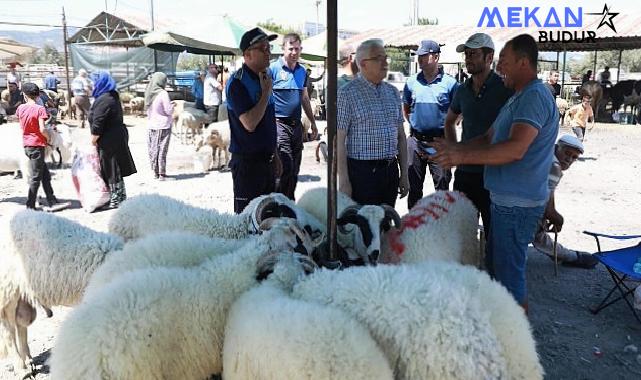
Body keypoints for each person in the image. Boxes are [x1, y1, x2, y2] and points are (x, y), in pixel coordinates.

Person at [430, 34, 559, 311]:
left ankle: (515, 343)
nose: (501, 68)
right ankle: (502, 328)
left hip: (517, 203)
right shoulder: (519, 96)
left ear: (524, 63)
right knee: (498, 270)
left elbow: (515, 149)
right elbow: (489, 138)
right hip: (505, 199)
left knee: (509, 278)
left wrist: (460, 154)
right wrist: (455, 149)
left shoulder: (534, 96)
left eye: (506, 62)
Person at [444, 32, 514, 260]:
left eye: (473, 54)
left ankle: (493, 282)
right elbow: (449, 121)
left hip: (497, 176)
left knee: (497, 239)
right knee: (461, 235)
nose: (468, 59)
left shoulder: (505, 88)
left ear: (489, 57)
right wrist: (454, 153)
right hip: (466, 174)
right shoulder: (462, 90)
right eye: (467, 55)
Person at [337, 39, 409, 207]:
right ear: (363, 64)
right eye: (378, 58)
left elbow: (401, 137)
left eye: (385, 57)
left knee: (385, 224)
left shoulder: (392, 92)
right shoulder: (347, 94)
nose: (385, 62)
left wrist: (404, 174)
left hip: (390, 172)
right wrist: (344, 181)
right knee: (364, 227)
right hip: (362, 175)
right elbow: (339, 141)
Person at [226, 27, 280, 214]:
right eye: (263, 48)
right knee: (248, 221)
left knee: (269, 217)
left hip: (268, 161)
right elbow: (249, 123)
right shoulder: (237, 83)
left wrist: (275, 155)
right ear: (247, 54)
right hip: (248, 165)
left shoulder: (265, 78)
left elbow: (268, 122)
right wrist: (265, 93)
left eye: (269, 48)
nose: (268, 53)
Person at [403, 39, 459, 209]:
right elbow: (406, 109)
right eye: (418, 56)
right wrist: (418, 128)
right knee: (413, 188)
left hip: (439, 143)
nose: (419, 59)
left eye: (423, 56)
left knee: (442, 189)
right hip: (416, 142)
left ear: (435, 57)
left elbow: (458, 113)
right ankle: (414, 228)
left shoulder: (450, 84)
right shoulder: (411, 83)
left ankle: (440, 228)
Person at [533, 135, 598, 269]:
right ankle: (569, 256)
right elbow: (547, 205)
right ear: (556, 148)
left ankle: (565, 255)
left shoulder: (545, 157)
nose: (569, 159)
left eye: (574, 157)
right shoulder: (554, 166)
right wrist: (556, 218)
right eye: (567, 153)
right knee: (538, 234)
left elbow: (548, 195)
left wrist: (551, 213)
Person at [270, 33, 318, 200]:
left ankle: (289, 201)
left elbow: (304, 98)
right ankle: (280, 202)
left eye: (297, 49)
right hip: (278, 124)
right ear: (283, 48)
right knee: (285, 164)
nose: (294, 52)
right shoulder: (273, 69)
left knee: (295, 168)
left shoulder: (302, 71)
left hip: (296, 125)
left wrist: (313, 123)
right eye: (290, 48)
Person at [16, 83, 69, 211]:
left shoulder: (20, 108)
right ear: (38, 94)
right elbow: (42, 128)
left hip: (28, 144)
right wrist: (48, 138)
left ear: (24, 94)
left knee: (45, 175)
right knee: (36, 177)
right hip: (37, 145)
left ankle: (52, 200)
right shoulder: (40, 109)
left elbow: (22, 125)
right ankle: (30, 205)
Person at [89, 71, 137, 208]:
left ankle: (116, 198)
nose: (93, 84)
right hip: (116, 136)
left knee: (111, 167)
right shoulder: (112, 96)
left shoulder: (105, 99)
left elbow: (98, 121)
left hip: (109, 138)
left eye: (95, 81)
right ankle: (120, 196)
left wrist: (93, 139)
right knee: (115, 167)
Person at [144, 72, 175, 181]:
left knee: (153, 149)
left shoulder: (148, 93)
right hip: (163, 126)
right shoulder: (163, 93)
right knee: (162, 150)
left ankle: (155, 172)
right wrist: (173, 106)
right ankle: (162, 174)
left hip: (151, 125)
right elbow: (168, 110)